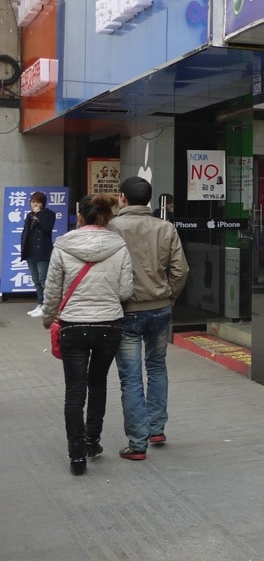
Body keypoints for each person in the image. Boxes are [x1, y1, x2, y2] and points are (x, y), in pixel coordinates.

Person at [42, 194, 133, 476]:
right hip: (109, 325)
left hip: (73, 325)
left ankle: (77, 456)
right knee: (98, 382)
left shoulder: (63, 246)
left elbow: (52, 290)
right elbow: (125, 291)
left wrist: (48, 318)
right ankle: (93, 441)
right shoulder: (119, 246)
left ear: (80, 216)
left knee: (74, 390)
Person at [111, 176, 189, 461]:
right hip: (160, 308)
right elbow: (181, 271)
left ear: (122, 197)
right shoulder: (165, 228)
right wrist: (169, 296)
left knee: (131, 378)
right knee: (157, 367)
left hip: (126, 311)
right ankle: (156, 429)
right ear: (149, 199)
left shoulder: (112, 228)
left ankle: (137, 443)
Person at [20, 191, 57, 317]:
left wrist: (39, 214)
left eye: (37, 203)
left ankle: (47, 306)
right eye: (32, 202)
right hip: (30, 252)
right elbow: (26, 232)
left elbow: (47, 228)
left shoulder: (49, 214)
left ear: (43, 203)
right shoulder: (29, 215)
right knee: (36, 280)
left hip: (42, 252)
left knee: (43, 279)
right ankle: (40, 304)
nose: (34, 205)